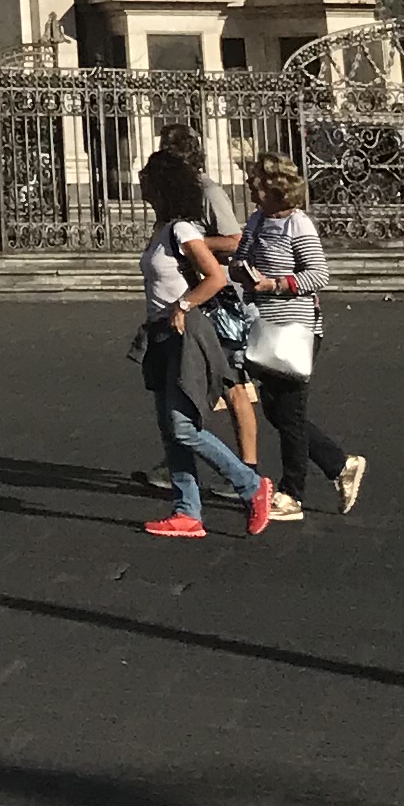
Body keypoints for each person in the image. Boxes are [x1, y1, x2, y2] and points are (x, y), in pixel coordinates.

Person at [135, 142, 272, 541]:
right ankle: (186, 510)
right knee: (169, 426)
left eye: (148, 177)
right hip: (160, 334)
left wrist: (184, 302)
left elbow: (215, 276)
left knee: (184, 426)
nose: (141, 182)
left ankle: (250, 485)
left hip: (183, 334)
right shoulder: (163, 229)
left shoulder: (181, 230)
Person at [235, 151, 367, 521]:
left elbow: (318, 275)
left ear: (276, 187)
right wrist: (241, 269)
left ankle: (293, 493)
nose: (251, 187)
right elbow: (241, 256)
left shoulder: (298, 225)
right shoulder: (258, 220)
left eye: (257, 182)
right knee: (279, 412)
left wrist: (274, 283)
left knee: (290, 413)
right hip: (263, 325)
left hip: (297, 329)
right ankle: (339, 464)